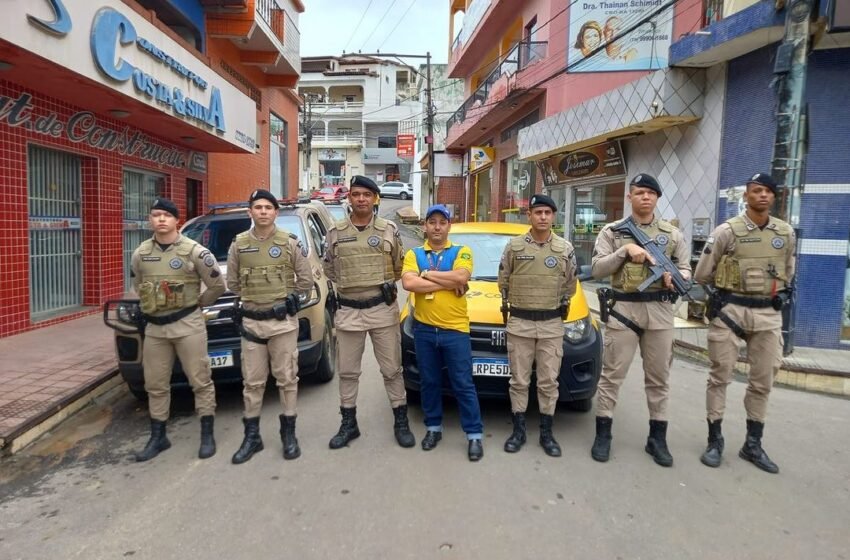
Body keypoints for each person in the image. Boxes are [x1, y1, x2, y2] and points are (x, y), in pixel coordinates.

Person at [694, 173, 796, 474]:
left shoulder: (786, 233)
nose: (762, 196)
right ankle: (715, 441)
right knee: (719, 377)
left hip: (768, 315)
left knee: (762, 381)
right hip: (731, 311)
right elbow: (702, 274)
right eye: (756, 191)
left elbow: (788, 273)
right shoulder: (727, 231)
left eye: (767, 191)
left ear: (774, 196)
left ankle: (753, 444)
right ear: (746, 196)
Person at [590, 174, 691, 467]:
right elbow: (597, 269)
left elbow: (686, 270)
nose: (645, 197)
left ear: (657, 198)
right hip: (624, 310)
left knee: (659, 379)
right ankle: (603, 433)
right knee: (612, 376)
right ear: (629, 197)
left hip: (659, 311)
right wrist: (624, 251)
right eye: (639, 192)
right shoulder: (613, 231)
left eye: (650, 193)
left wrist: (679, 278)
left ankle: (657, 438)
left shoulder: (672, 235)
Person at [322, 175, 415, 449]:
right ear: (349, 198)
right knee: (348, 372)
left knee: (392, 370)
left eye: (366, 194)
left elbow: (399, 266)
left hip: (382, 309)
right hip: (349, 311)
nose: (361, 198)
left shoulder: (389, 230)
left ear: (376, 198)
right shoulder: (335, 232)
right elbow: (329, 268)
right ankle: (348, 423)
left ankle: (401, 421)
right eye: (356, 194)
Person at [130, 198, 226, 462]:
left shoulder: (194, 251)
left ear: (176, 220)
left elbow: (218, 285)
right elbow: (138, 285)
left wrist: (199, 304)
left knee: (200, 380)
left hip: (188, 325)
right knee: (155, 384)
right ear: (150, 220)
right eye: (156, 215)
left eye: (166, 215)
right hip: (155, 329)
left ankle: (207, 434)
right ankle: (158, 436)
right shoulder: (141, 253)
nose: (161, 219)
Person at [226, 189, 314, 464]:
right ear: (249, 212)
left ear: (276, 212)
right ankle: (252, 437)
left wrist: (289, 301)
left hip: (282, 325)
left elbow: (305, 279)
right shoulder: (238, 245)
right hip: (252, 324)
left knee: (287, 380)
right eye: (258, 207)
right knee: (252, 383)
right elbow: (233, 283)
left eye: (268, 207)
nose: (263, 211)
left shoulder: (289, 243)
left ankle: (289, 434)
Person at [401, 205, 484, 461]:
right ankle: (433, 428)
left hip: (455, 331)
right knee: (429, 382)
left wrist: (427, 275)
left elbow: (462, 277)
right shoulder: (414, 253)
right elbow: (408, 283)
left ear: (449, 226)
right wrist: (446, 281)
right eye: (432, 222)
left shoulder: (462, 251)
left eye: (442, 222)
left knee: (463, 384)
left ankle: (474, 435)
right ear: (424, 226)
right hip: (424, 331)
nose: (437, 227)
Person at [498, 194, 577, 457]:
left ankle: (546, 433)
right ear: (529, 215)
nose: (543, 217)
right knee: (519, 381)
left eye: (547, 212)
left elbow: (570, 285)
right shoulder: (514, 247)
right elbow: (503, 281)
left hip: (551, 324)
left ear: (553, 216)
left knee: (548, 382)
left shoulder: (565, 248)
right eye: (538, 212)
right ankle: (519, 431)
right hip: (520, 323)